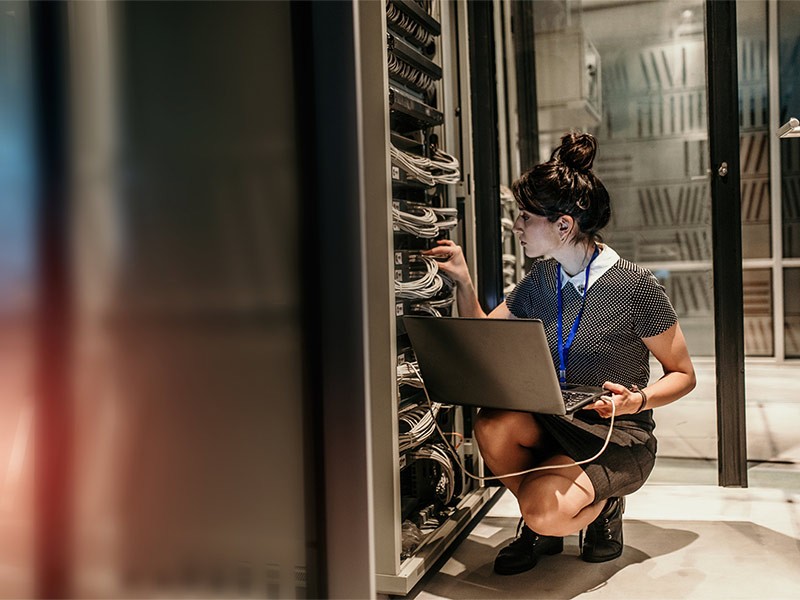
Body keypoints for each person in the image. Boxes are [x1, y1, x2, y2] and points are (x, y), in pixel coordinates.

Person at [422, 132, 696, 575]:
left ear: (564, 225)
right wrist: (463, 281)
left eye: (525, 217)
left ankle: (595, 509)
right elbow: (483, 338)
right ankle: (543, 518)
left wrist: (636, 401)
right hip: (553, 418)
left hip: (614, 431)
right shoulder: (540, 280)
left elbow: (683, 374)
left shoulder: (635, 286)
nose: (516, 226)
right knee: (492, 425)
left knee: (543, 512)